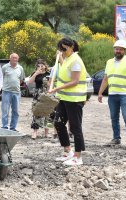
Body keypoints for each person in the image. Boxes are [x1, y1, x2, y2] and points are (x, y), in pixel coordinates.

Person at [48, 38, 87, 166]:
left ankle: (78, 157)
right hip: (64, 98)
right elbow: (63, 73)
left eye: (64, 49)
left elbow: (75, 81)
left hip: (75, 99)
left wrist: (56, 88)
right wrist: (60, 58)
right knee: (58, 123)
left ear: (72, 47)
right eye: (61, 49)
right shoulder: (67, 60)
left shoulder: (76, 60)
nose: (62, 51)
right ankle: (68, 151)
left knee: (75, 128)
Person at [98, 40, 126, 150]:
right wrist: (100, 92)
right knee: (114, 117)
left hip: (125, 94)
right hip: (112, 94)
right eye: (116, 49)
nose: (118, 51)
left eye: (120, 49)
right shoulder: (109, 62)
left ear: (124, 50)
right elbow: (105, 79)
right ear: (114, 49)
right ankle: (116, 139)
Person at [1, 53, 24, 131]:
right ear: (10, 58)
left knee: (16, 111)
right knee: (5, 110)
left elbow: (21, 80)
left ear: (18, 59)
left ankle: (13, 127)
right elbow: (1, 78)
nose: (15, 59)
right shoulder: (5, 67)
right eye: (13, 58)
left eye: (16, 58)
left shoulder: (20, 68)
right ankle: (4, 127)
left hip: (16, 92)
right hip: (6, 91)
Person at [29, 59, 51, 139]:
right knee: (36, 112)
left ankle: (46, 133)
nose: (40, 67)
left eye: (42, 65)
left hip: (46, 94)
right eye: (38, 66)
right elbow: (30, 82)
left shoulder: (49, 74)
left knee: (48, 113)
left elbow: (51, 85)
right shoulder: (35, 74)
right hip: (38, 94)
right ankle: (35, 132)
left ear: (45, 66)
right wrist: (36, 73)